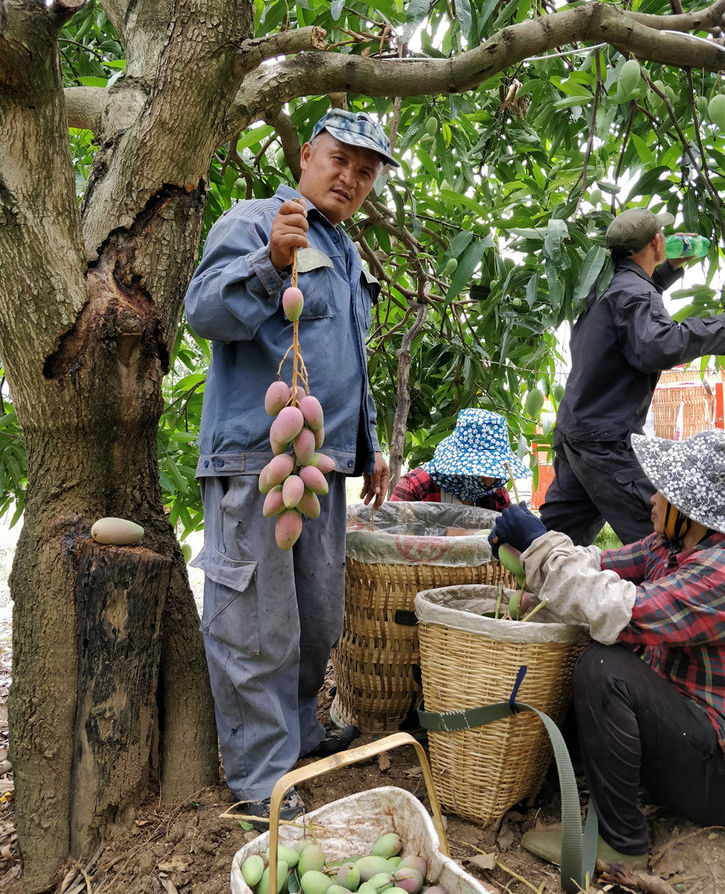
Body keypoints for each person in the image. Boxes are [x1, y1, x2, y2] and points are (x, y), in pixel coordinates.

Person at [184, 109, 398, 827]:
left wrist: (367, 450)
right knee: (257, 624)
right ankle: (262, 779)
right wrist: (269, 262)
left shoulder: (344, 251)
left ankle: (298, 739)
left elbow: (343, 362)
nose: (350, 178)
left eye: (365, 172)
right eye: (340, 159)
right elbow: (202, 309)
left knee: (316, 618)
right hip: (256, 460)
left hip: (319, 466)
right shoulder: (257, 220)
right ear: (307, 155)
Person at [491, 428, 725, 867]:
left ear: (692, 511)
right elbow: (596, 564)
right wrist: (529, 555)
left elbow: (615, 609)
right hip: (683, 732)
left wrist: (542, 543)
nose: (650, 499)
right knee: (594, 658)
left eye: (663, 491)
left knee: (603, 666)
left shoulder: (718, 574)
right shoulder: (668, 545)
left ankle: (622, 843)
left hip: (714, 772)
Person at [539, 207, 725, 546]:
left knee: (554, 539)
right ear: (656, 241)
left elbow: (629, 311)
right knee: (665, 532)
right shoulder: (633, 293)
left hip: (576, 431)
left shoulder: (604, 283)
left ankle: (520, 580)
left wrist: (669, 270)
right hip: (605, 441)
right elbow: (657, 346)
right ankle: (670, 597)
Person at [390, 408, 530, 510]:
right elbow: (391, 538)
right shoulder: (417, 487)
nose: (491, 481)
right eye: (482, 469)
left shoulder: (496, 494)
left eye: (495, 468)